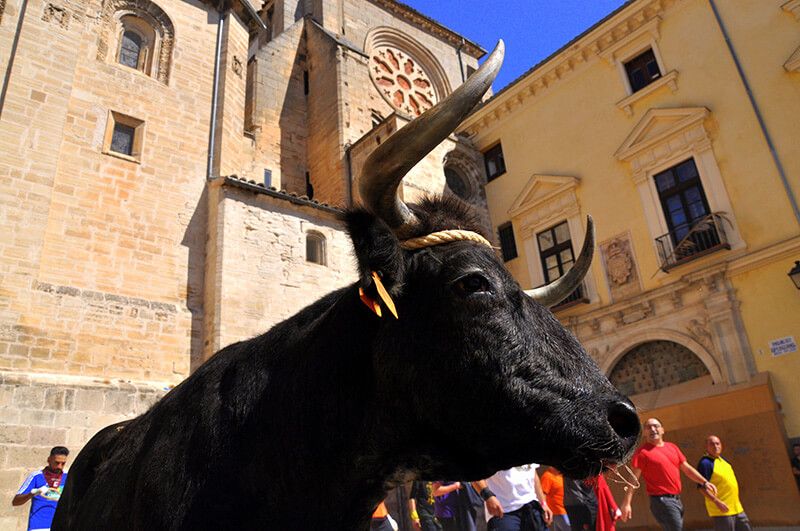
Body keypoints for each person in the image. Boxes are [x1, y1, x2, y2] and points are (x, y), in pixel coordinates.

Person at [620, 417, 718, 531]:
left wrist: (704, 482)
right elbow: (633, 479)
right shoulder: (642, 453)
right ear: (644, 433)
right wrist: (626, 503)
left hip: (676, 500)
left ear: (662, 430)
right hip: (661, 501)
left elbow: (687, 469)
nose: (653, 429)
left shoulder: (672, 447)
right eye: (648, 427)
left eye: (656, 426)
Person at [471, 464, 553, 531]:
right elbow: (474, 474)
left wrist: (543, 503)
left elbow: (533, 474)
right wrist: (488, 497)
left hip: (531, 506)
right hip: (503, 511)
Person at [696, 435, 752, 531]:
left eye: (717, 444)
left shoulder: (724, 461)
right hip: (722, 510)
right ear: (706, 447)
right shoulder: (705, 463)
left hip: (737, 508)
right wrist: (716, 502)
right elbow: (701, 488)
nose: (715, 446)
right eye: (712, 444)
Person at [12, 446, 69, 531]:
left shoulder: (67, 477)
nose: (59, 467)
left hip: (60, 526)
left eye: (63, 463)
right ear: (49, 460)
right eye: (57, 463)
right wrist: (32, 493)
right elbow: (16, 501)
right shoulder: (36, 476)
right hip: (38, 527)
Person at [540, 467, 570, 531]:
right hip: (559, 511)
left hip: (568, 509)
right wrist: (544, 510)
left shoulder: (563, 474)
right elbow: (542, 495)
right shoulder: (548, 476)